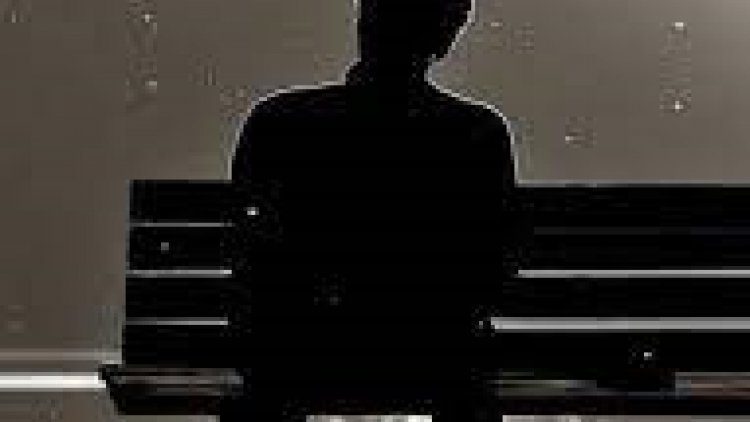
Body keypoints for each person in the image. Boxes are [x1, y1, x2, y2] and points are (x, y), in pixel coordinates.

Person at [228, 0, 517, 419]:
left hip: (301, 352)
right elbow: (494, 268)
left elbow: (248, 250)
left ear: (364, 23)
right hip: (435, 356)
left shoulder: (279, 121)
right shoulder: (477, 133)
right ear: (445, 39)